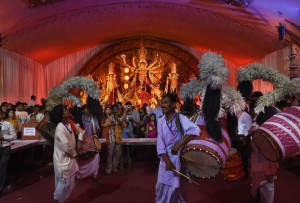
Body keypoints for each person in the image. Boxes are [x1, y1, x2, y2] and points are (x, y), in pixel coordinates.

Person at [156, 93, 200, 203]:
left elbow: (195, 131)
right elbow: (160, 143)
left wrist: (179, 144)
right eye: (162, 102)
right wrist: (167, 160)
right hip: (165, 161)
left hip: (179, 160)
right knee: (161, 188)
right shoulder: (161, 121)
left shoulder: (180, 118)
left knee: (178, 190)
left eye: (165, 102)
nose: (163, 105)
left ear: (173, 105)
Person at [50, 104, 82, 203]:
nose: (67, 110)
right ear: (61, 115)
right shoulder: (60, 128)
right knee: (64, 184)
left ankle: (61, 200)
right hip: (62, 160)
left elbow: (80, 131)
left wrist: (80, 141)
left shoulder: (69, 123)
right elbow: (66, 147)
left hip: (70, 158)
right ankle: (56, 200)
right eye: (64, 110)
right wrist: (75, 153)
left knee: (70, 183)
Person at [249, 106, 279, 203]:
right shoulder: (264, 131)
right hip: (265, 162)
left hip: (257, 160)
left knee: (260, 183)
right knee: (268, 187)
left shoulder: (255, 127)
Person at [0, 110, 17, 196]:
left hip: (5, 148)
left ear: (2, 114)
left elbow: (14, 136)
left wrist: (3, 137)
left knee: (2, 167)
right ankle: (9, 179)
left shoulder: (8, 124)